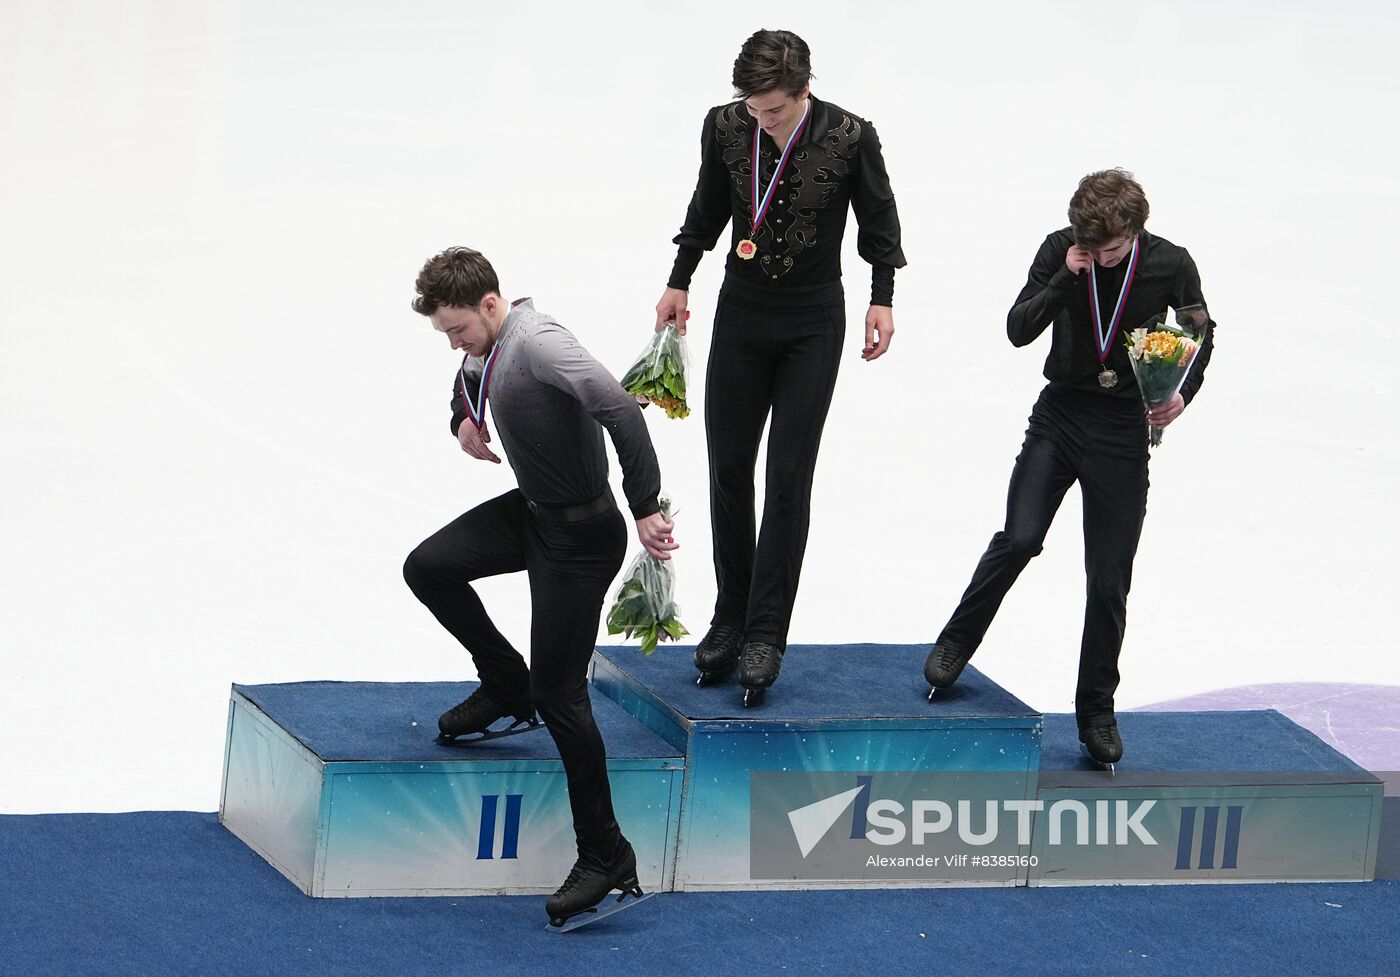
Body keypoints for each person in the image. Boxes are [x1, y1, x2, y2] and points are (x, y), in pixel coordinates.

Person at [402, 247, 677, 924]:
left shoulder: (541, 345)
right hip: (532, 513)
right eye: (446, 333)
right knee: (428, 567)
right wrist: (461, 421)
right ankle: (504, 684)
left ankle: (607, 852)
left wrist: (645, 504)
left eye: (457, 328)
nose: (455, 343)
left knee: (562, 693)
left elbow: (622, 409)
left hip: (582, 539)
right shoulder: (485, 342)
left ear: (491, 304)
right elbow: (468, 378)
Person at [923, 169, 1215, 770]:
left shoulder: (1170, 262)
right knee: (1020, 537)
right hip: (1060, 417)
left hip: (1121, 432)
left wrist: (1184, 391)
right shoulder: (1063, 250)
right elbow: (1017, 329)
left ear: (1136, 232)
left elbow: (1199, 331)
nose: (1105, 260)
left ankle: (1096, 709)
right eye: (1096, 250)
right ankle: (956, 642)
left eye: (1114, 251)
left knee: (1109, 577)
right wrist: (1066, 276)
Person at [657, 28, 906, 706]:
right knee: (728, 466)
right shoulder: (726, 125)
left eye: (773, 111)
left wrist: (883, 294)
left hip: (810, 324)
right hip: (741, 315)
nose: (760, 122)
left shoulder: (851, 136)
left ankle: (767, 629)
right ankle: (730, 615)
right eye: (753, 109)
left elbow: (880, 220)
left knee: (788, 474)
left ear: (804, 91)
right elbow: (706, 208)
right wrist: (679, 278)